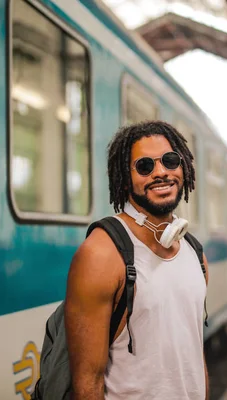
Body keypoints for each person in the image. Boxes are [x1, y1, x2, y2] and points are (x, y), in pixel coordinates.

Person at [63, 121, 209, 399]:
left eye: (170, 161)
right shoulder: (101, 254)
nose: (161, 172)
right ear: (125, 177)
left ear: (183, 167)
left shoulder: (195, 253)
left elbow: (193, 355)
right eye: (144, 166)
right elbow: (87, 383)